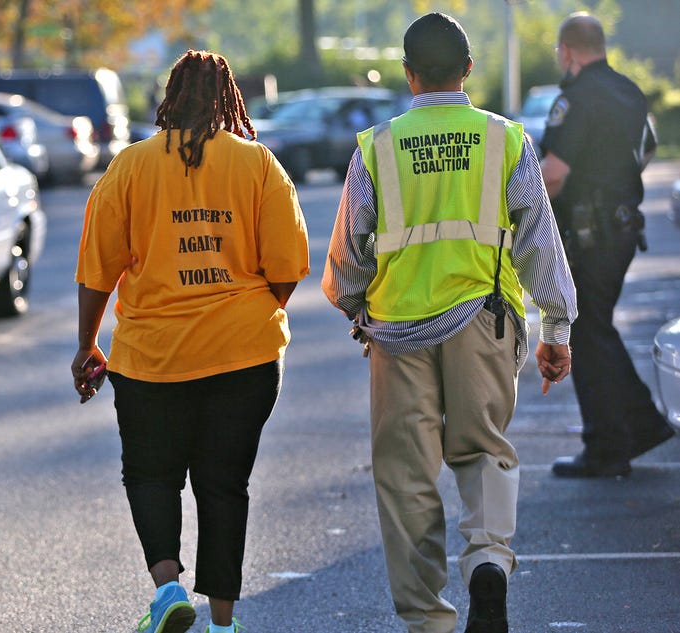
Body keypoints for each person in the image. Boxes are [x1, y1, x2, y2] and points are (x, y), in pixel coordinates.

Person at [322, 13, 577, 633]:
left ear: (409, 75)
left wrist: (356, 310)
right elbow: (539, 244)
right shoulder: (506, 141)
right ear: (468, 70)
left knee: (406, 478)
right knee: (485, 448)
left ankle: (428, 620)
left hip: (397, 333)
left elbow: (349, 256)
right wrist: (556, 331)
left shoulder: (375, 149)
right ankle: (488, 558)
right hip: (483, 321)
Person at [71, 50, 310, 633]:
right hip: (246, 357)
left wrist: (87, 345)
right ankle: (224, 624)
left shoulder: (129, 167)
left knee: (151, 475)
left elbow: (97, 269)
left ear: (170, 98)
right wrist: (247, 315)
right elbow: (287, 266)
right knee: (224, 485)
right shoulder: (258, 165)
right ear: (228, 98)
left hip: (152, 357)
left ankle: (169, 588)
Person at [540, 11, 675, 478]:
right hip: (620, 229)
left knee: (587, 331)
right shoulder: (628, 91)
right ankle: (632, 428)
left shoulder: (575, 98)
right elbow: (647, 151)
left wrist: (515, 208)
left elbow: (553, 175)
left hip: (589, 233)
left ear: (569, 52)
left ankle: (611, 443)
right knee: (596, 328)